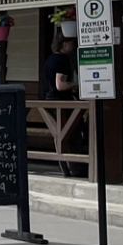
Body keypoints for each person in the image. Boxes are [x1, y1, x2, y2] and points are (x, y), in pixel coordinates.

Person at [41, 34, 83, 177]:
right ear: (64, 44)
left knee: (60, 134)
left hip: (49, 100)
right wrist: (76, 84)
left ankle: (65, 167)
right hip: (61, 101)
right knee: (70, 134)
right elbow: (60, 84)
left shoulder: (50, 59)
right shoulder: (62, 60)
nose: (72, 46)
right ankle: (73, 167)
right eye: (71, 43)